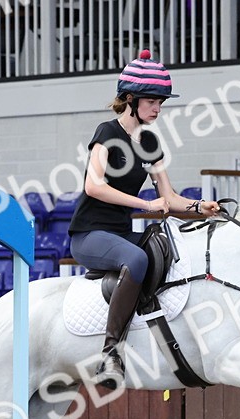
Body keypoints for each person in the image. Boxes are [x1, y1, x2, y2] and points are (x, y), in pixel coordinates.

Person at [69, 50, 221, 387]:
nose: (158, 108)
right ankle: (109, 355)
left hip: (120, 234)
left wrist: (201, 208)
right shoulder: (107, 131)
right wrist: (145, 204)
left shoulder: (150, 142)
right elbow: (94, 186)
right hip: (89, 235)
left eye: (161, 102)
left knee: (167, 252)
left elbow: (170, 199)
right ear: (130, 99)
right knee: (137, 259)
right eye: (152, 101)